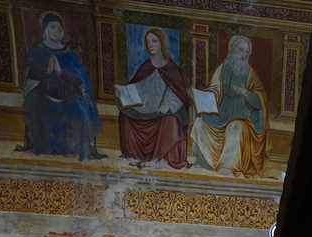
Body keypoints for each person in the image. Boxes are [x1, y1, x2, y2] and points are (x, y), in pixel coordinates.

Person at [17, 13, 104, 160]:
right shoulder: (37, 51)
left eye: (59, 28)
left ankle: (73, 148)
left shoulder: (70, 54)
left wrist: (61, 73)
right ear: (45, 29)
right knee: (34, 102)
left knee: (80, 106)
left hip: (69, 94)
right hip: (42, 92)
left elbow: (79, 79)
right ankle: (43, 147)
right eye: (53, 26)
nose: (57, 30)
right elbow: (29, 74)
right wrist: (46, 71)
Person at [190, 34, 269, 178]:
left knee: (236, 127)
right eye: (240, 50)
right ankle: (208, 161)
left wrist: (246, 93)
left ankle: (228, 165)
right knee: (199, 123)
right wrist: (200, 97)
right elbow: (214, 90)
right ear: (232, 50)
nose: (243, 55)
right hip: (222, 112)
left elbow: (260, 99)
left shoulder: (250, 73)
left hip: (243, 115)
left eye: (246, 52)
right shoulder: (222, 69)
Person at [118, 27, 189, 168]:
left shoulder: (171, 68)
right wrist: (123, 93)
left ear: (162, 42)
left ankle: (165, 159)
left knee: (171, 119)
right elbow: (136, 87)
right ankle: (133, 155)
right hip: (144, 107)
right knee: (124, 116)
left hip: (162, 109)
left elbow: (178, 92)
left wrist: (169, 105)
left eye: (154, 41)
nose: (150, 44)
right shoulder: (146, 65)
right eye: (148, 41)